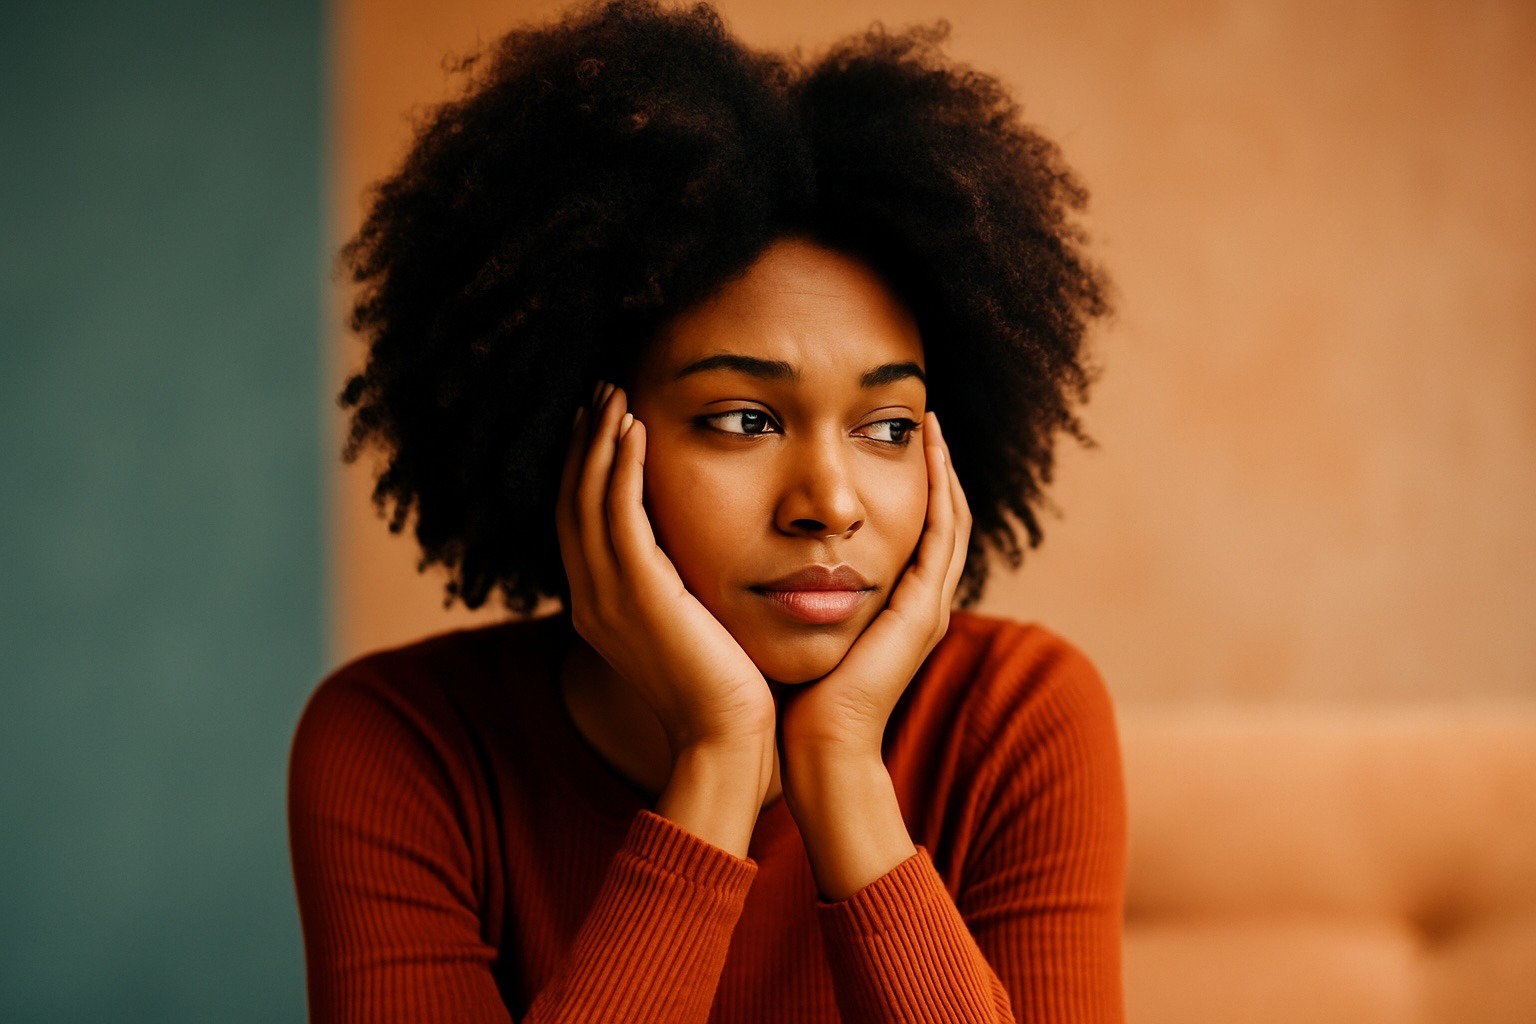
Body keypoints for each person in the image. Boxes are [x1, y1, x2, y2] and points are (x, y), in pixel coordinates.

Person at [286, 1, 1126, 1021]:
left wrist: (843, 768)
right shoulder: (403, 748)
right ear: (573, 434)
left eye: (889, 427)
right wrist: (719, 760)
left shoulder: (1015, 721)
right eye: (742, 418)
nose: (830, 503)